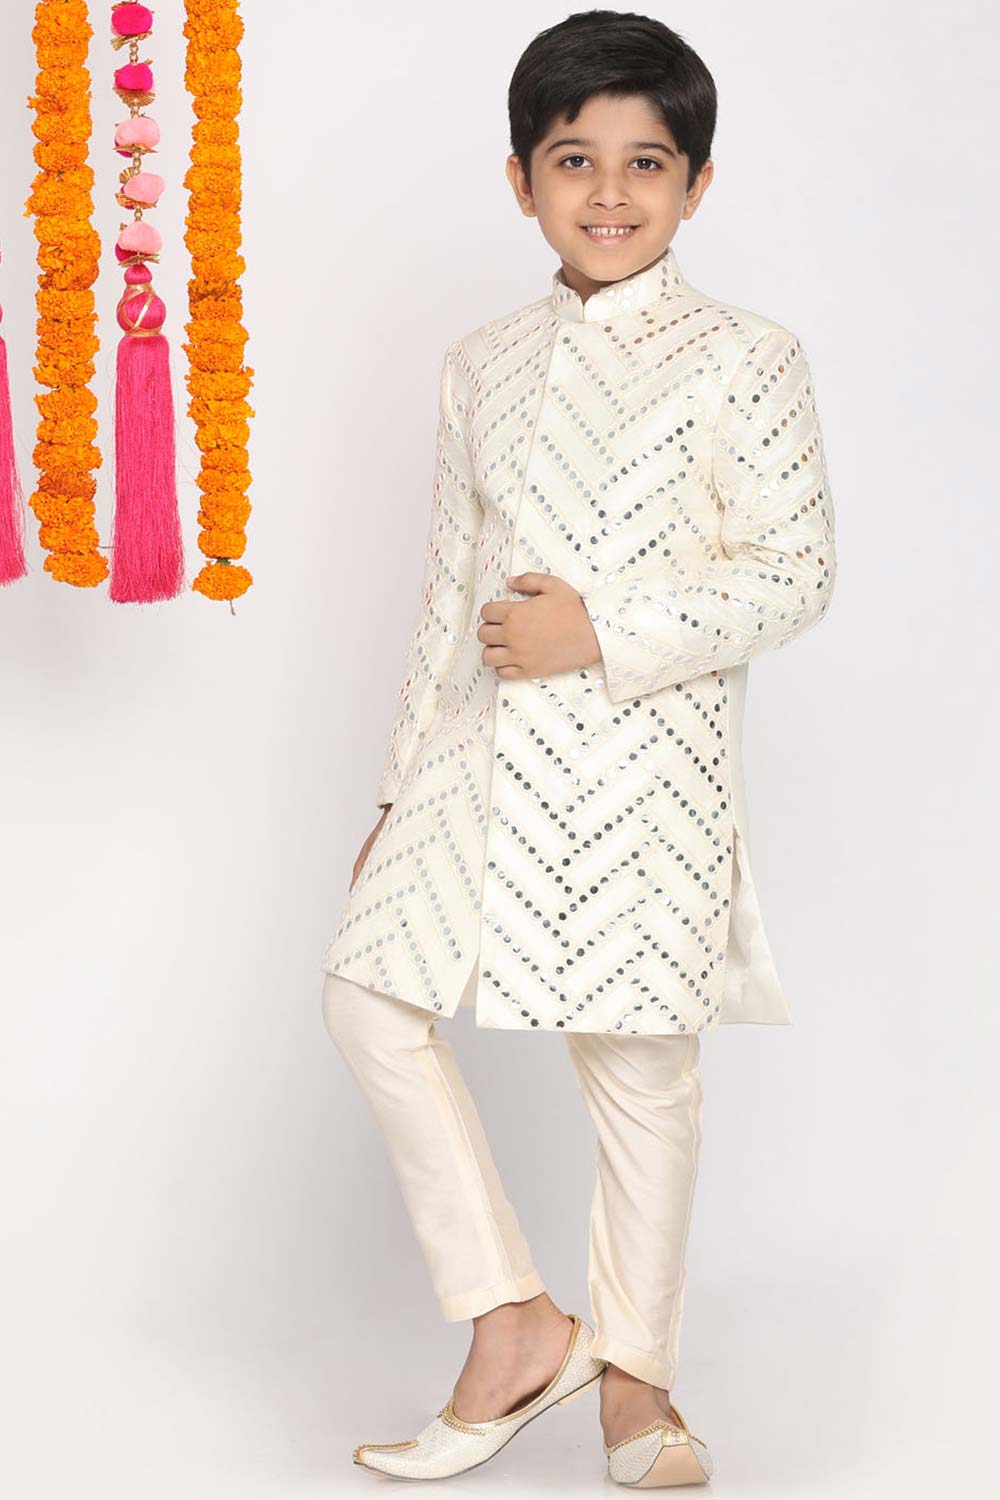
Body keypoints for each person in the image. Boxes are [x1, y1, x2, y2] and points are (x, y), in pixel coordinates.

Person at [320, 8, 837, 1485]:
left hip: (645, 768)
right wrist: (393, 788)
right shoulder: (480, 362)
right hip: (474, 757)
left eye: (646, 163)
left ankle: (639, 1391)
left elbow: (795, 571)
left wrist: (601, 628)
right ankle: (516, 1323)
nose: (609, 192)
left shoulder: (746, 357)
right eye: (573, 160)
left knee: (641, 1070)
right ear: (521, 179)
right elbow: (445, 591)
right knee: (367, 998)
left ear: (696, 185)